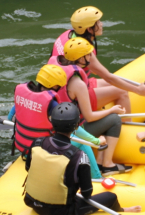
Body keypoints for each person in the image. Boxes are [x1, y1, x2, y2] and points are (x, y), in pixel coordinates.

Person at [23, 102, 140, 215]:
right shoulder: (79, 156)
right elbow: (86, 194)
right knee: (111, 197)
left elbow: (29, 168)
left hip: (32, 202)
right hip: (61, 213)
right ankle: (121, 210)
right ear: (76, 126)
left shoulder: (37, 143)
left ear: (52, 122)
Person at [49, 37, 132, 176]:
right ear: (80, 59)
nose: (90, 57)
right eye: (88, 55)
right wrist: (112, 110)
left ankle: (100, 159)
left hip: (57, 127)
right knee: (114, 119)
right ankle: (108, 164)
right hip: (72, 132)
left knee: (104, 114)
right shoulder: (77, 83)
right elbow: (89, 117)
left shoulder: (57, 68)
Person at [8, 64, 103, 179]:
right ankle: (97, 177)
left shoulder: (24, 94)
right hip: (42, 150)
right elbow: (73, 127)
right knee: (82, 142)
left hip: (25, 148)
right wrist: (96, 141)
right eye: (59, 86)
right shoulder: (51, 103)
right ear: (54, 85)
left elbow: (10, 118)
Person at [51, 6, 145, 115]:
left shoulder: (68, 35)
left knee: (121, 84)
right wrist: (137, 90)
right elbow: (109, 78)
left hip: (66, 89)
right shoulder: (83, 51)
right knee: (122, 91)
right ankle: (126, 127)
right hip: (72, 97)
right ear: (89, 29)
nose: (101, 24)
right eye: (98, 22)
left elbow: (92, 69)